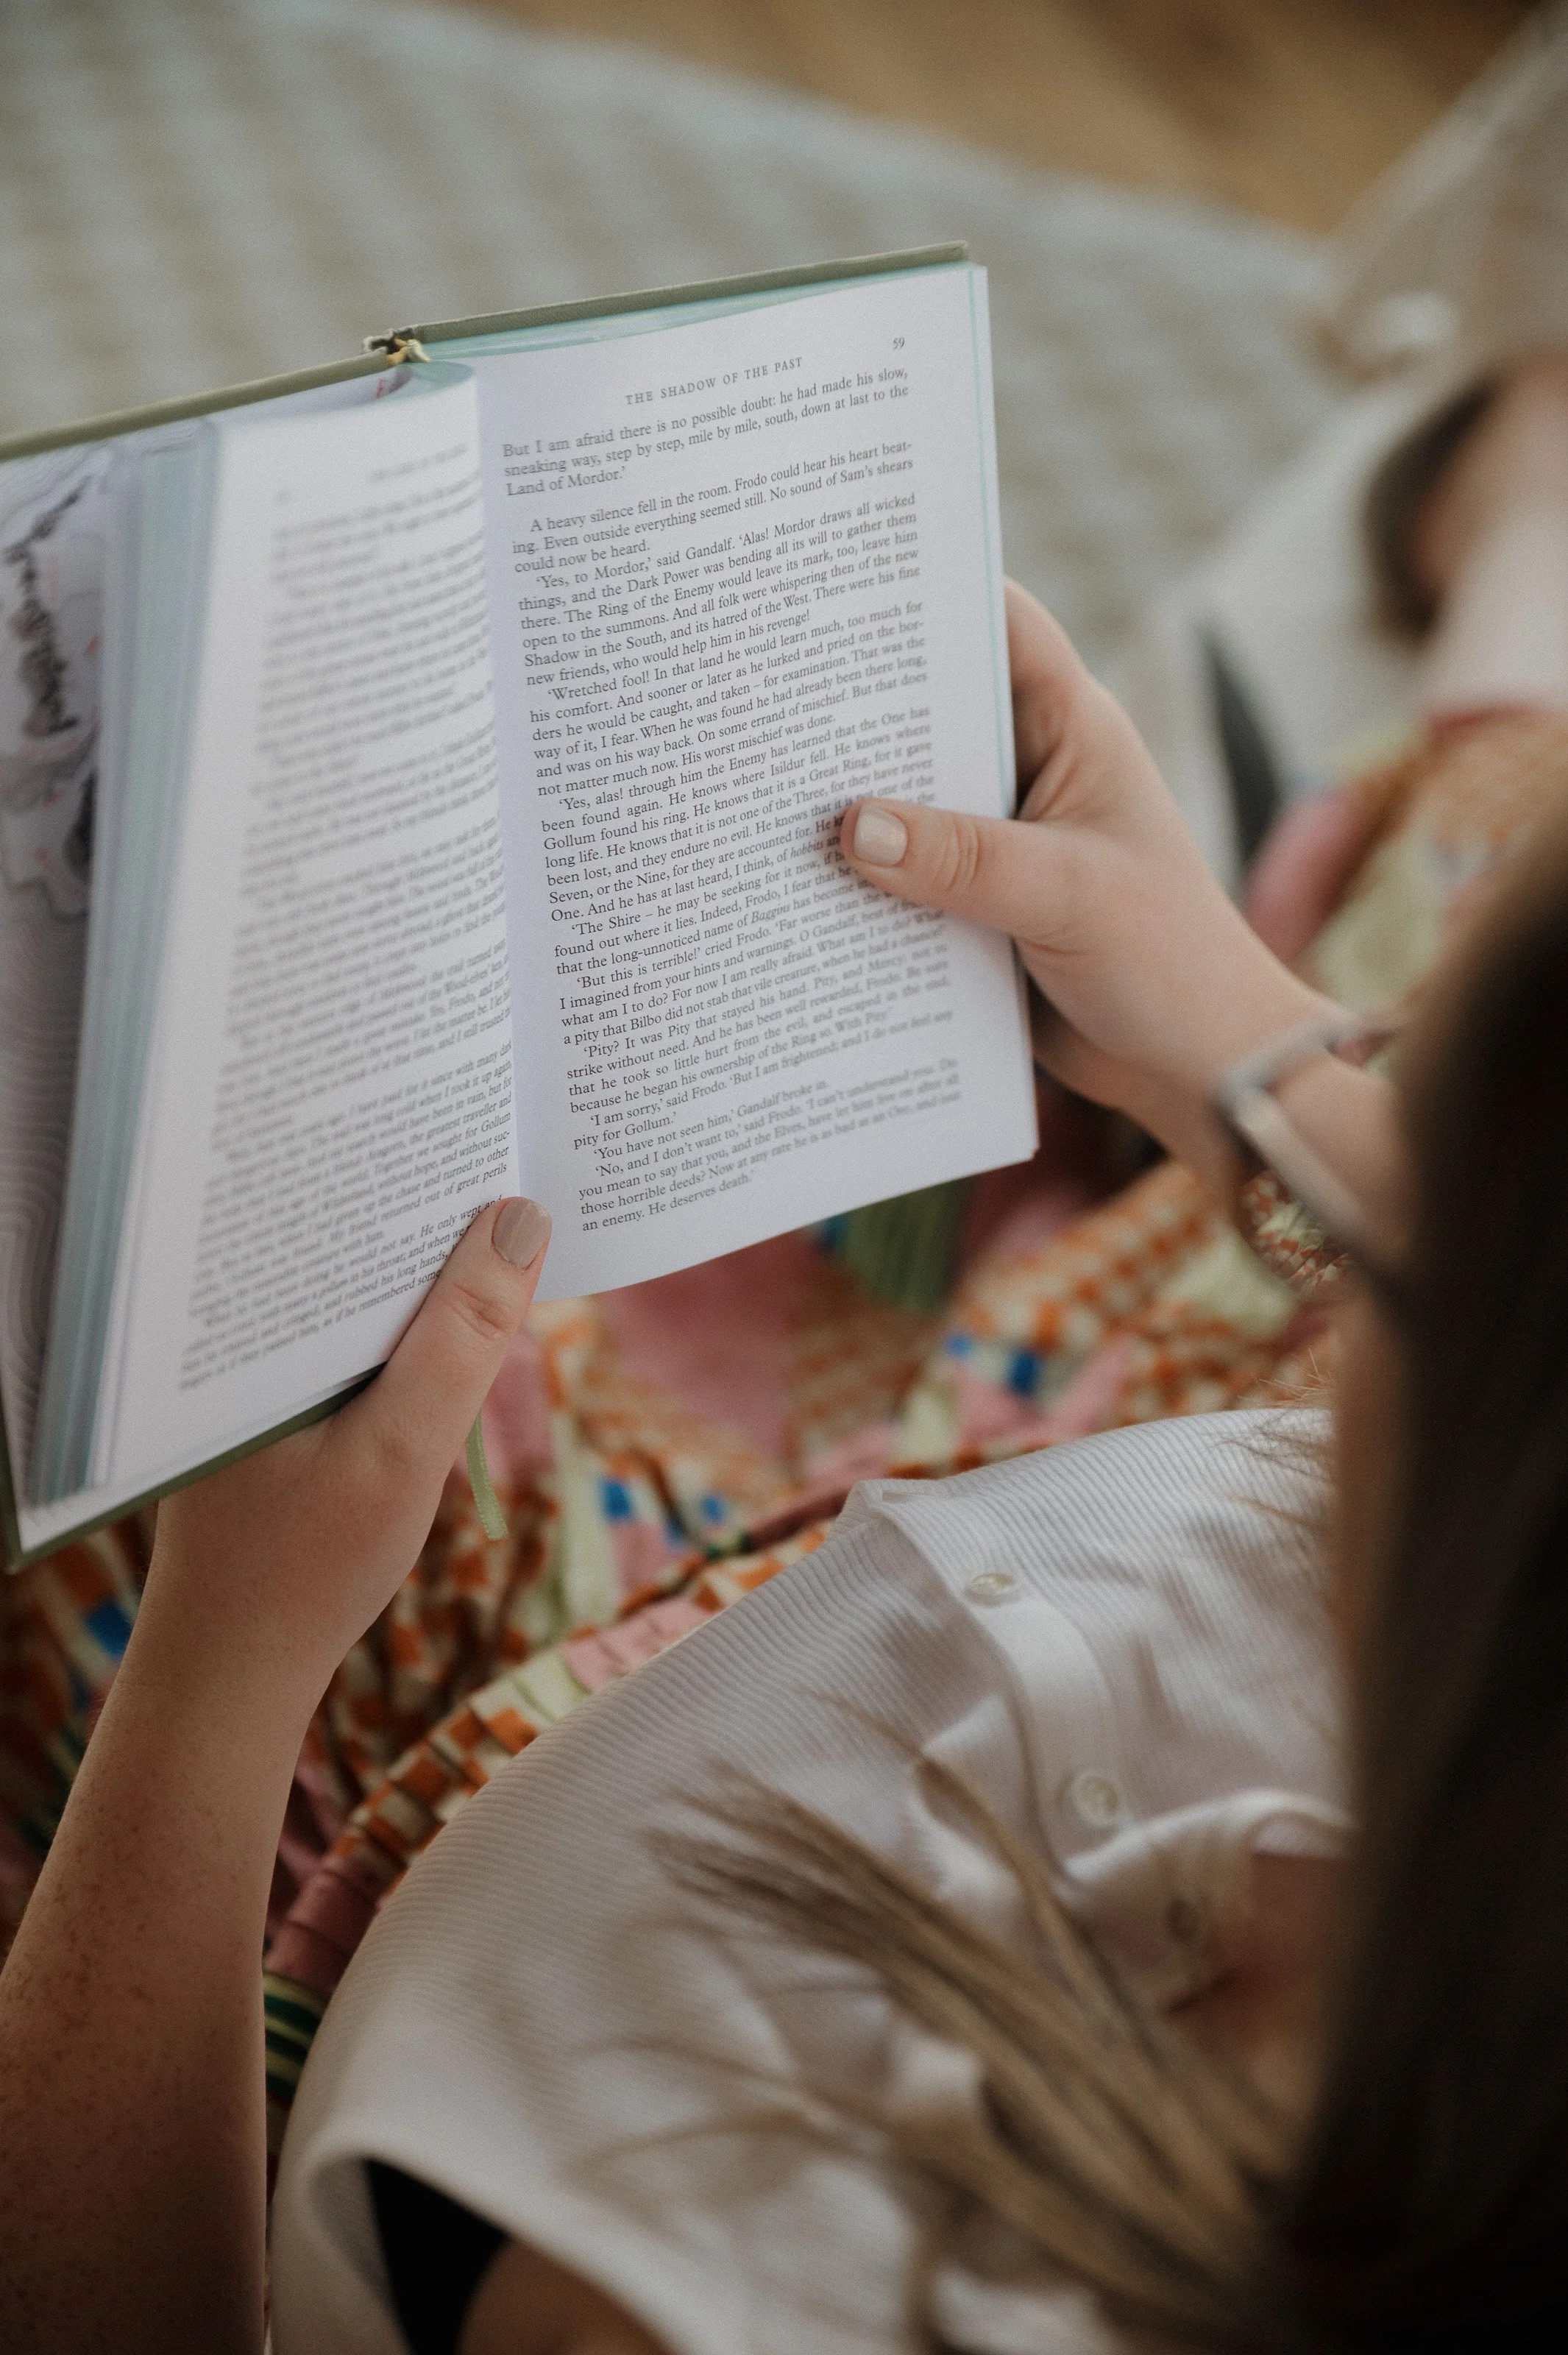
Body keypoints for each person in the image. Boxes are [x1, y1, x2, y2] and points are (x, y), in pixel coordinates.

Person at [2, 332, 1568, 2354]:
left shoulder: (739, 2276)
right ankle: (1525, 533)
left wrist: (224, 1670)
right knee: (1463, 870)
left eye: (1418, 1260)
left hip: (443, 1769)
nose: (1362, 1228)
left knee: (124, 1424)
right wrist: (1233, 1041)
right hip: (973, 1499)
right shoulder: (1439, 1638)